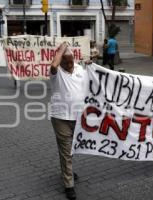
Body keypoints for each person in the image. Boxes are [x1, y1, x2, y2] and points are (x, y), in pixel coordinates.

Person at [50, 42, 86, 200]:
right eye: (66, 62)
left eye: (72, 61)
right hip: (61, 118)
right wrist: (63, 46)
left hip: (78, 117)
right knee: (65, 150)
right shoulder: (56, 72)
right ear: (61, 61)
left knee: (72, 148)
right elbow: (54, 63)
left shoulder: (79, 69)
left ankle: (68, 171)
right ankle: (68, 184)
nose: (70, 64)